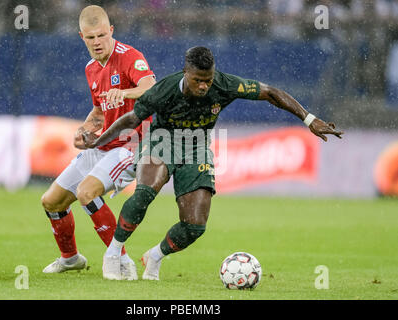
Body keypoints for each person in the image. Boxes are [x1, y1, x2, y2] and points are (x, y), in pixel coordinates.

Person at [85, 46, 343, 280]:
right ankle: (114, 252)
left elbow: (271, 93)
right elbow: (131, 119)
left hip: (197, 146)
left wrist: (309, 120)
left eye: (207, 80)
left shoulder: (225, 84)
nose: (203, 86)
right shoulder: (163, 90)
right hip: (161, 141)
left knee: (194, 226)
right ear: (185, 72)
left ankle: (154, 256)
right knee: (144, 193)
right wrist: (98, 142)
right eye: (197, 80)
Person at [40, 5, 156, 280]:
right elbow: (99, 112)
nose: (97, 42)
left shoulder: (130, 57)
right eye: (90, 38)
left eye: (102, 35)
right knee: (51, 201)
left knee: (86, 193)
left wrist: (124, 91)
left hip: (130, 145)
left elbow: (152, 88)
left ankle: (121, 260)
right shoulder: (91, 68)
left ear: (111, 31)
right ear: (82, 37)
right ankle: (70, 259)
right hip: (103, 144)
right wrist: (85, 129)